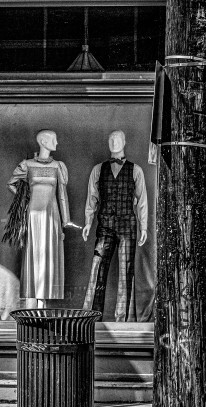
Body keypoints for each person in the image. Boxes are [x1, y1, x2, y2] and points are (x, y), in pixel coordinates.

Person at [82, 130, 148, 321]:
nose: (114, 142)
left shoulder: (136, 170)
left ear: (124, 142)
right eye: (111, 139)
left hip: (127, 224)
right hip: (105, 225)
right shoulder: (98, 169)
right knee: (98, 267)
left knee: (126, 270)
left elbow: (142, 201)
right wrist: (88, 222)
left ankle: (124, 319)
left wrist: (144, 227)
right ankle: (91, 317)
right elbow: (92, 198)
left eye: (117, 139)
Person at [7, 130, 75, 308]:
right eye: (54, 139)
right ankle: (33, 302)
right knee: (34, 255)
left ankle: (42, 303)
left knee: (48, 256)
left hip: (52, 217)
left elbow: (62, 195)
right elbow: (11, 184)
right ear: (43, 142)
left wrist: (65, 220)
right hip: (33, 217)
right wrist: (25, 199)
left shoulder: (58, 166)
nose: (57, 143)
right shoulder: (27, 165)